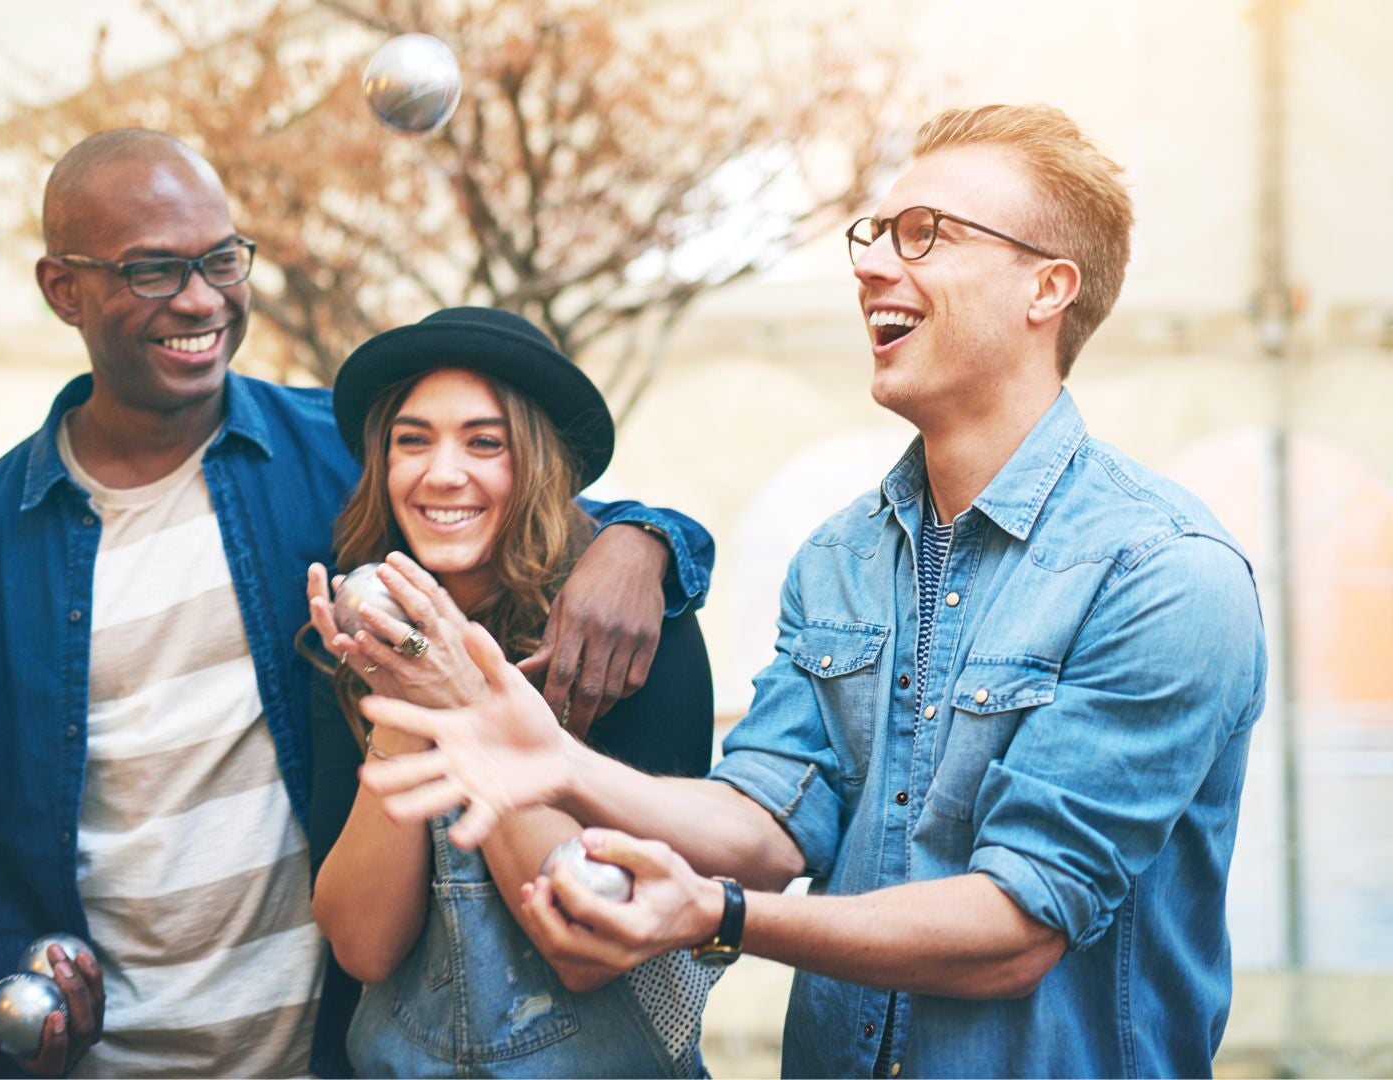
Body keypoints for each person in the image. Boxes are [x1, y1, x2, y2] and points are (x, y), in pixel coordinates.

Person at [358, 104, 1268, 1077]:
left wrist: (722, 919)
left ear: (1047, 288)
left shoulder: (1164, 571)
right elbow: (767, 822)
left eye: (926, 234)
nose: (874, 265)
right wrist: (560, 766)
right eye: (873, 236)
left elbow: (1018, 925)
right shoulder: (839, 557)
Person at [0, 129, 716, 1078]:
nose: (202, 297)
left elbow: (521, 510)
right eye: (156, 270)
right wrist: (3, 955)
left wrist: (648, 540)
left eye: (220, 259)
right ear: (63, 289)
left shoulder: (322, 458)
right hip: (99, 1054)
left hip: (315, 1049)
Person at [304, 307, 720, 1077]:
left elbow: (591, 945)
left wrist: (461, 702)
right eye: (412, 440)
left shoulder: (625, 636)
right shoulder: (358, 635)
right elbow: (363, 943)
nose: (442, 472)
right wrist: (402, 711)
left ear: (534, 462)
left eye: (485, 442)